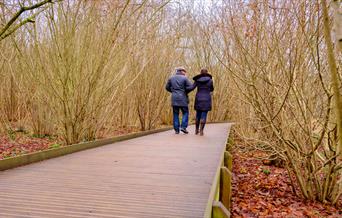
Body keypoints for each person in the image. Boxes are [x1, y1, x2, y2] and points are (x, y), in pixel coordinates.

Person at [165, 67, 195, 134]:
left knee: (175, 114)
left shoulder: (171, 78)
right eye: (185, 71)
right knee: (185, 112)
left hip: (174, 98)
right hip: (183, 99)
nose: (185, 73)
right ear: (182, 71)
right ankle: (183, 127)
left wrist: (173, 91)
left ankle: (176, 130)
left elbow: (167, 87)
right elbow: (190, 87)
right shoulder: (185, 78)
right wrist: (185, 91)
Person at [192, 68, 214, 136]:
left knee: (198, 115)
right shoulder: (210, 81)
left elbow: (192, 87)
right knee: (204, 115)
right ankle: (201, 131)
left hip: (198, 98)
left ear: (200, 73)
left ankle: (196, 130)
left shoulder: (197, 80)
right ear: (207, 73)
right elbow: (212, 89)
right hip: (207, 98)